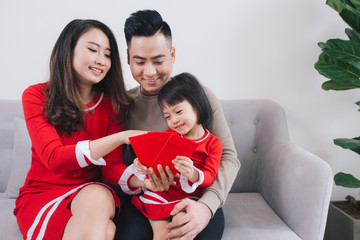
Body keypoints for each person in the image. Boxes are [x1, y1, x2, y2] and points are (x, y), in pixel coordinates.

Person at [13, 19, 144, 240]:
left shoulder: (112, 105)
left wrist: (142, 180)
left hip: (90, 194)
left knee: (97, 195)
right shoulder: (36, 96)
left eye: (108, 54)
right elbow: (54, 159)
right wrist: (120, 138)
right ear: (68, 50)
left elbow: (111, 168)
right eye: (93, 49)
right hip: (43, 194)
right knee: (107, 230)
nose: (101, 60)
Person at [116, 10, 240, 240]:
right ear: (127, 58)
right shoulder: (123, 104)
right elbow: (115, 166)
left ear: (172, 54)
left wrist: (207, 207)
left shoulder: (199, 96)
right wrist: (141, 178)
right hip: (147, 201)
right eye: (140, 62)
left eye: (158, 60)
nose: (149, 72)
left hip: (195, 199)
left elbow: (229, 157)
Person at [129, 72, 223, 240]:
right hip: (161, 195)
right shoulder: (169, 136)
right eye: (168, 116)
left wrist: (193, 173)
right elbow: (155, 161)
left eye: (179, 112)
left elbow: (210, 176)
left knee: (180, 230)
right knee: (161, 235)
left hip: (190, 198)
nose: (174, 121)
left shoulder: (213, 143)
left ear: (197, 105)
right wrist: (143, 166)